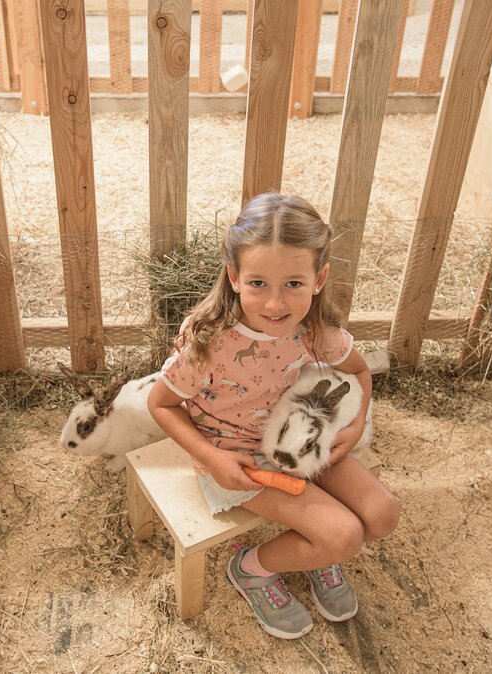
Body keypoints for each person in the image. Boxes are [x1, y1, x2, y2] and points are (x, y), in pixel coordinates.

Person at [147, 192, 400, 639]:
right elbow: (161, 405)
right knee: (343, 535)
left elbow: (359, 371)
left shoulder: (316, 331)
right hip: (237, 459)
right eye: (259, 283)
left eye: (294, 284)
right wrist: (214, 459)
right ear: (234, 275)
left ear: (319, 279)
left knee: (382, 515)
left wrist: (355, 425)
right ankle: (252, 568)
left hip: (301, 436)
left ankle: (314, 551)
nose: (275, 304)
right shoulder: (209, 342)